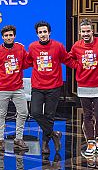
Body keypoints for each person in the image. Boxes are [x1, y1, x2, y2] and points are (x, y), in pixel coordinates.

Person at [26, 20, 71, 156]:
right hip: (38, 86)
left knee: (49, 116)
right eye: (40, 32)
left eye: (45, 32)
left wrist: (82, 65)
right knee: (35, 112)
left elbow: (67, 59)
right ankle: (54, 134)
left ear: (49, 32)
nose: (43, 34)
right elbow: (28, 61)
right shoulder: (33, 47)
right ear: (37, 34)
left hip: (54, 86)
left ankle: (45, 144)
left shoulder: (58, 46)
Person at [69, 19, 98, 158]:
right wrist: (78, 66)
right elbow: (69, 59)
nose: (85, 34)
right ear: (80, 32)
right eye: (83, 32)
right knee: (87, 116)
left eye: (88, 31)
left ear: (92, 31)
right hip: (83, 86)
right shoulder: (76, 46)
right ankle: (90, 142)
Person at [0, 25, 30, 152]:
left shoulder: (20, 48)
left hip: (18, 87)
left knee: (23, 112)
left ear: (14, 36)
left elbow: (27, 62)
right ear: (2, 37)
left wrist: (17, 68)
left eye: (11, 35)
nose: (8, 37)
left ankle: (18, 138)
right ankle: (0, 140)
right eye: (6, 35)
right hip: (2, 88)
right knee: (1, 114)